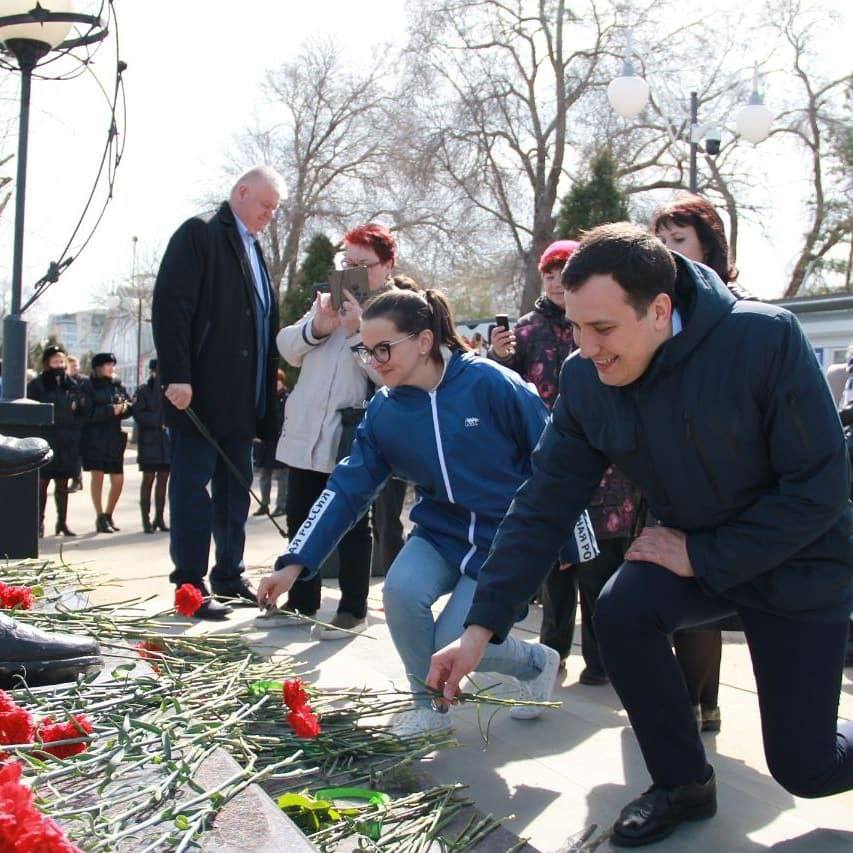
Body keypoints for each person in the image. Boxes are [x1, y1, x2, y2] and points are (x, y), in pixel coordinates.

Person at [428, 223, 853, 848]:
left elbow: (820, 489)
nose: (587, 348)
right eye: (576, 327)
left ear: (658, 310)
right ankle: (682, 783)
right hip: (692, 558)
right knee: (622, 610)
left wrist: (702, 553)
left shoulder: (763, 339)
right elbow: (543, 502)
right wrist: (479, 628)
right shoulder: (585, 379)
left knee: (807, 769)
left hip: (796, 564)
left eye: (602, 329)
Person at [258, 288, 596, 736]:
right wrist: (294, 562)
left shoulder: (492, 384)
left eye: (383, 348)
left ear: (422, 341)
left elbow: (553, 460)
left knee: (453, 639)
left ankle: (535, 663)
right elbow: (346, 488)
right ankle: (428, 708)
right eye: (366, 351)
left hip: (506, 540)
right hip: (440, 533)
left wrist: (574, 540)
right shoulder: (384, 410)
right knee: (400, 591)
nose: (374, 361)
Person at [491, 239, 640, 685]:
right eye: (549, 274)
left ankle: (602, 661)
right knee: (555, 574)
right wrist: (499, 356)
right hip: (552, 461)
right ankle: (551, 655)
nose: (557, 282)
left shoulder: (605, 320)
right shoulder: (525, 330)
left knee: (601, 574)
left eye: (564, 272)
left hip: (608, 472)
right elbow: (503, 393)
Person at [151, 165, 282, 619]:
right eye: (265, 205)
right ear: (241, 192)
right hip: (199, 395)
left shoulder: (255, 248)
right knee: (193, 489)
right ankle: (190, 585)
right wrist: (177, 374)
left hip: (243, 399)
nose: (269, 214)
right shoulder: (200, 234)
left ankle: (229, 573)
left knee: (235, 490)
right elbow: (171, 306)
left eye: (274, 209)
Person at [652, 194, 753, 732]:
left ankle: (697, 704)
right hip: (670, 475)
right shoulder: (656, 313)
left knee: (710, 590)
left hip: (734, 482)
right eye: (661, 241)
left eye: (680, 240)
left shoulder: (745, 314)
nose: (668, 251)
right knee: (681, 595)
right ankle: (696, 705)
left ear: (709, 246)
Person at [274, 223, 398, 638]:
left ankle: (352, 608)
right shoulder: (326, 302)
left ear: (387, 266)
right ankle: (301, 601)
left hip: (352, 435)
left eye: (365, 264)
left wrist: (357, 332)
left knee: (352, 523)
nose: (354, 272)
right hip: (306, 429)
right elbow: (287, 348)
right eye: (348, 263)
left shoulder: (395, 309)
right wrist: (319, 326)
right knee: (300, 516)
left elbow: (389, 374)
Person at [26, 345, 84, 537]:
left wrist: (75, 431)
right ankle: (38, 523)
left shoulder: (72, 385)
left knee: (62, 485)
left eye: (61, 361)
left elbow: (81, 411)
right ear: (47, 363)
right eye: (55, 361)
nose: (59, 365)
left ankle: (62, 522)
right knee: (42, 484)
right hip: (45, 441)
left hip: (67, 443)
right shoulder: (37, 385)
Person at [78, 352, 133, 534]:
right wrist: (110, 410)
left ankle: (109, 514)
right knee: (98, 477)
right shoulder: (87, 386)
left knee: (118, 480)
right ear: (98, 368)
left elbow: (129, 404)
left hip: (114, 438)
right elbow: (87, 414)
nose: (111, 368)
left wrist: (124, 408)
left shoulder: (117, 385)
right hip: (95, 438)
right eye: (107, 365)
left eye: (112, 365)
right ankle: (100, 515)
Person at [133, 359, 171, 534]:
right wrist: (160, 421)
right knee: (148, 480)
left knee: (163, 481)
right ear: (152, 372)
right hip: (149, 442)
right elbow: (138, 414)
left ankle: (160, 518)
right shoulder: (143, 391)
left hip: (165, 444)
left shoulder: (169, 390)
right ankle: (145, 519)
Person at [252, 369, 288, 518]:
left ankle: (282, 505)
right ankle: (264, 504)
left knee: (282, 475)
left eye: (278, 380)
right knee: (264, 475)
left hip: (280, 441)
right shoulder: (266, 397)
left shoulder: (287, 398)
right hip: (266, 441)